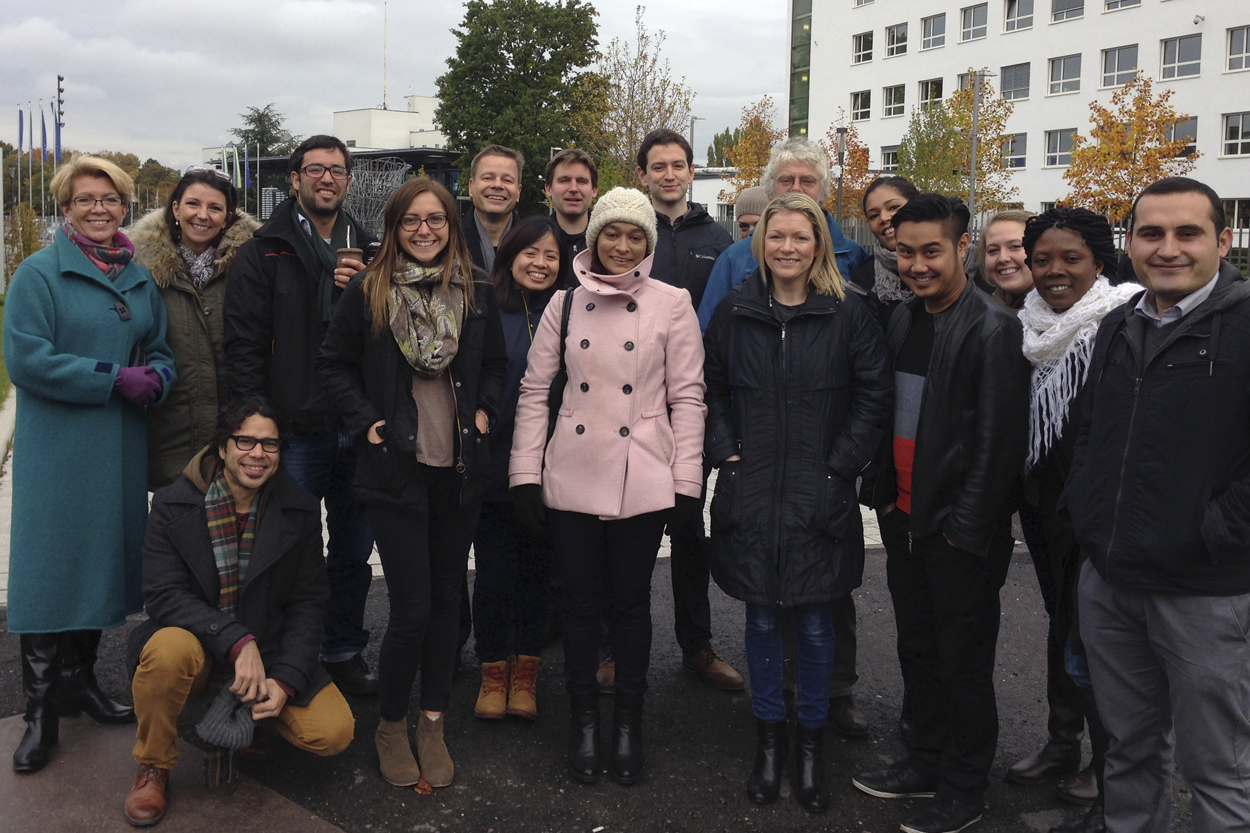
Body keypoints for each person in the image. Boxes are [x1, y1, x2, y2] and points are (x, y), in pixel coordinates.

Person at [1066, 177, 1250, 833]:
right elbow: (1090, 430)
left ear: (1223, 241)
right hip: (1113, 579)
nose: (1168, 248)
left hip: (1204, 590)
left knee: (1220, 770)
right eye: (1152, 233)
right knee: (1129, 750)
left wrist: (1211, 534)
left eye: (1187, 233)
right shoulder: (1119, 324)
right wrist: (1088, 514)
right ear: (1132, 243)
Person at [509, 187, 706, 786]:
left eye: (635, 236)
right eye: (611, 234)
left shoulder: (673, 303)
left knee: (630, 605)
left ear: (648, 244)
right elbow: (535, 391)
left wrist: (687, 483)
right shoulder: (564, 304)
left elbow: (688, 397)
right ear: (592, 238)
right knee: (578, 604)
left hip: (642, 474)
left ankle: (628, 723)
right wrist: (524, 474)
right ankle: (583, 722)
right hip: (572, 471)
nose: (622, 246)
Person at [703, 192, 891, 813]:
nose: (787, 247)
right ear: (760, 242)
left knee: (814, 623)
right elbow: (710, 390)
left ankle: (810, 748)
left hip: (819, 493)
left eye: (800, 237)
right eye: (776, 236)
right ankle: (769, 741)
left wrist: (839, 468)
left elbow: (872, 396)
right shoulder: (734, 311)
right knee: (759, 620)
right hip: (752, 491)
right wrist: (727, 454)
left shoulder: (848, 315)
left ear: (819, 245)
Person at [317, 177, 507, 789]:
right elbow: (333, 364)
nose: (424, 231)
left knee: (449, 602)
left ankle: (433, 719)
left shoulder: (474, 288)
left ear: (452, 226)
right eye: (410, 221)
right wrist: (367, 423)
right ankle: (392, 724)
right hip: (395, 471)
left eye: (437, 220)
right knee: (412, 608)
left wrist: (484, 413)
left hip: (459, 473)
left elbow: (498, 367)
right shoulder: (370, 290)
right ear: (395, 227)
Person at [852, 194, 1030, 833]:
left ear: (962, 248)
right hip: (905, 518)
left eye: (932, 251)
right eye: (906, 252)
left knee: (964, 661)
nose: (918, 265)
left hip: (958, 531)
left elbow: (998, 445)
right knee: (918, 648)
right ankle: (923, 759)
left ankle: (963, 784)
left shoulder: (992, 328)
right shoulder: (903, 321)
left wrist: (968, 529)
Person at [4, 155, 176, 774]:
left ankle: (78, 684)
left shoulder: (137, 278)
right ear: (66, 206)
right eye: (86, 200)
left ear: (125, 205)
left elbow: (159, 349)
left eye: (110, 198)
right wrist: (111, 378)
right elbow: (29, 361)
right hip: (59, 451)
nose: (99, 209)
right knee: (50, 570)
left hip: (119, 448)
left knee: (98, 563)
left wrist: (158, 374)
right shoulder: (39, 274)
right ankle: (40, 712)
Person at [123, 396, 354, 827]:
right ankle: (154, 763)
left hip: (268, 647)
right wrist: (235, 639)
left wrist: (285, 678)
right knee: (167, 652)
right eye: (245, 441)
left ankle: (253, 719)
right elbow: (162, 595)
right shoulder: (174, 503)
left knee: (333, 732)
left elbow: (309, 602)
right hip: (198, 645)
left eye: (270, 445)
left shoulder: (298, 509)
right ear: (222, 447)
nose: (258, 454)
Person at [224, 135, 380, 697]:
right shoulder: (264, 249)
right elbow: (242, 347)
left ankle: (342, 647)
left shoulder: (371, 246)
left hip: (357, 426)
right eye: (315, 169)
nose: (327, 179)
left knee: (352, 550)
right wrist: (252, 429)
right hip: (291, 429)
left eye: (338, 171)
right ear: (294, 179)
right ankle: (284, 655)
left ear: (348, 181)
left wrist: (364, 291)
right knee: (284, 548)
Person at [1015, 207, 1142, 833]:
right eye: (1043, 260)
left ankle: (1111, 769)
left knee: (1095, 646)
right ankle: (1062, 742)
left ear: (1099, 262)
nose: (1055, 271)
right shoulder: (1032, 328)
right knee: (1060, 629)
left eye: (1070, 259)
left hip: (1097, 520)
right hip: (1044, 513)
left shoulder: (1122, 325)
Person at [636, 128, 742, 692]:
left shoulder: (717, 238)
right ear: (643, 174)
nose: (670, 174)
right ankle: (615, 646)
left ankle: (696, 645)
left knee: (687, 531)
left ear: (692, 169)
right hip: (633, 405)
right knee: (628, 532)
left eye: (679, 165)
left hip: (694, 404)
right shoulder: (629, 230)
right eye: (659, 166)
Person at [471, 217, 564, 721]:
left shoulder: (571, 310)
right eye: (531, 253)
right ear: (508, 256)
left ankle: (526, 674)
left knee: (538, 573)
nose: (541, 263)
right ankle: (491, 671)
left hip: (553, 469)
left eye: (551, 256)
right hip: (493, 467)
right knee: (493, 575)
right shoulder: (486, 308)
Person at [133, 168, 260, 489]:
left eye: (215, 208)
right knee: (173, 527)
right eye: (193, 204)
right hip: (167, 428)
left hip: (234, 430)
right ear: (175, 208)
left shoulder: (252, 267)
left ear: (228, 216)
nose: (202, 216)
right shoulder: (139, 269)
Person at [697, 138, 869, 332]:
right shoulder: (734, 258)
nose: (796, 188)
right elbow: (708, 334)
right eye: (786, 180)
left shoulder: (853, 256)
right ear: (770, 191)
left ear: (823, 192)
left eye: (807, 181)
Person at [851, 175, 921, 329]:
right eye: (874, 215)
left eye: (893, 207)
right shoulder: (862, 282)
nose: (883, 218)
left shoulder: (963, 263)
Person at [463, 144, 523, 273]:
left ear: (518, 192)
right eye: (488, 178)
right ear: (471, 187)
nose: (497, 185)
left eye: (507, 180)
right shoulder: (449, 242)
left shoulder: (536, 244)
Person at [545, 148, 598, 288]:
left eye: (581, 181)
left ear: (594, 190)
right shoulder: (534, 241)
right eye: (564, 180)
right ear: (548, 188)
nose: (573, 188)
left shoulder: (609, 242)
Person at [978, 210, 1037, 312]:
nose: (1002, 258)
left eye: (1015, 246)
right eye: (993, 250)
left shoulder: (1064, 320)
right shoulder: (979, 313)